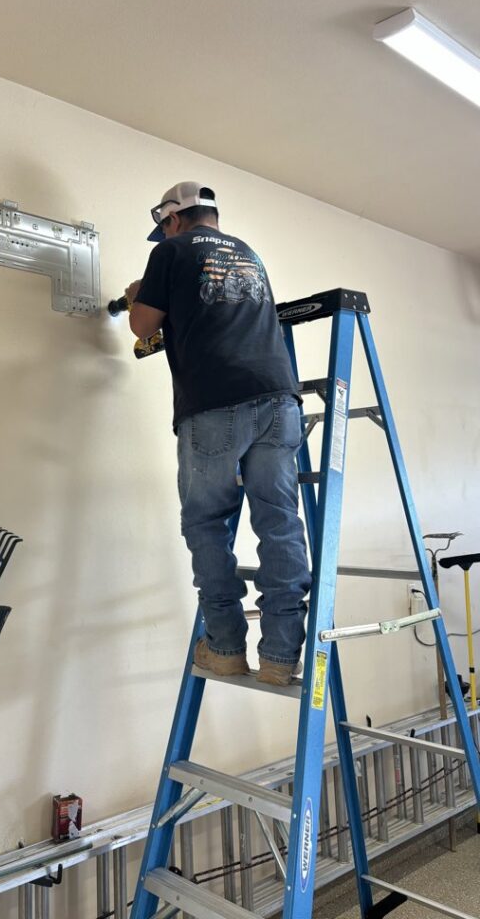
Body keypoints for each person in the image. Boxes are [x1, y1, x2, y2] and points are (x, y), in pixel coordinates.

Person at [125, 181, 311, 686]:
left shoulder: (170, 252)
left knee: (206, 522)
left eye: (165, 228)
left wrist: (138, 296)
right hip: (279, 399)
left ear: (172, 220)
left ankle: (226, 648)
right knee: (278, 521)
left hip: (214, 404)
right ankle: (280, 656)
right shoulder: (249, 253)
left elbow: (142, 327)